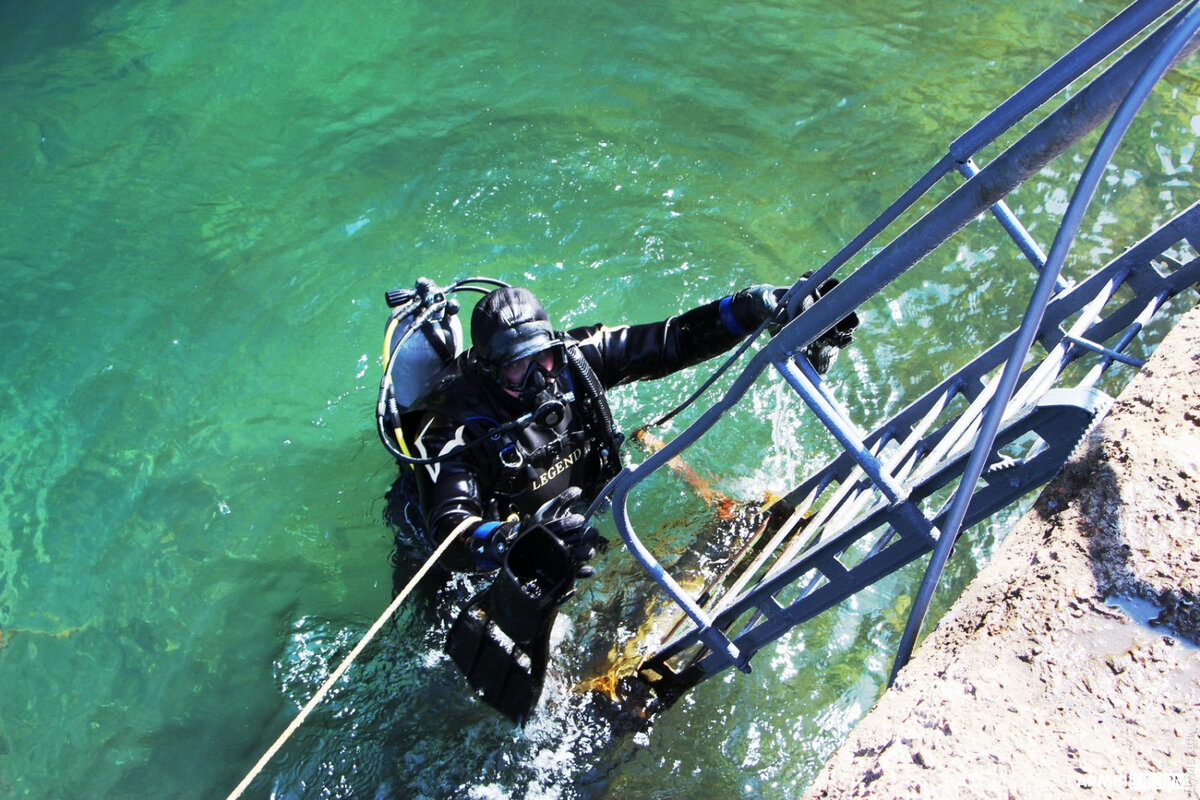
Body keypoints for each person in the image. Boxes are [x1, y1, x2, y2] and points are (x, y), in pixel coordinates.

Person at [385, 279, 856, 720]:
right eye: (516, 368)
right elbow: (450, 532)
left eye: (543, 359)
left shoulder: (574, 361)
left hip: (564, 518)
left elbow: (672, 340)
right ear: (489, 370)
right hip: (479, 547)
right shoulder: (453, 430)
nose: (538, 380)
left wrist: (755, 306)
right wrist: (516, 541)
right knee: (437, 660)